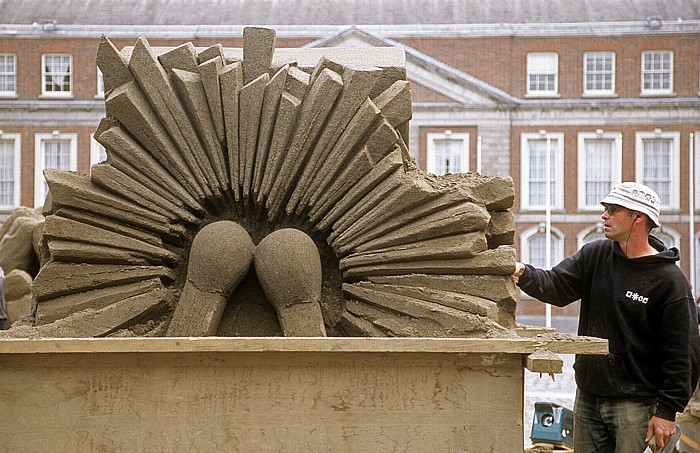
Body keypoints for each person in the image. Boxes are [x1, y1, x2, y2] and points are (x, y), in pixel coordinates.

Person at [514, 182, 700, 453]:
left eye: (613, 210)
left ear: (639, 217)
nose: (604, 215)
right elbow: (556, 285)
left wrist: (667, 411)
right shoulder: (597, 255)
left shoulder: (669, 282)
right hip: (589, 397)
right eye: (605, 209)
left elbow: (683, 353)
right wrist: (521, 272)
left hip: (635, 405)